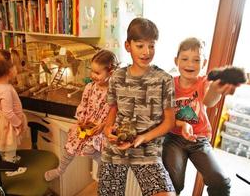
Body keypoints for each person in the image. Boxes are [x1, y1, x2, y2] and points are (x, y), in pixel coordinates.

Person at [99, 18, 176, 196]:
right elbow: (112, 109)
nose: (146, 52)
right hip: (116, 147)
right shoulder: (117, 76)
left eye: (151, 46)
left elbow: (169, 122)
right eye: (140, 45)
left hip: (148, 150)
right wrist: (108, 128)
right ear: (128, 46)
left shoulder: (165, 80)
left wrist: (144, 137)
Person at [162, 37, 234, 196]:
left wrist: (216, 88)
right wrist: (181, 124)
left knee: (220, 182)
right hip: (174, 138)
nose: (190, 64)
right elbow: (162, 114)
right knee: (173, 182)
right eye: (185, 59)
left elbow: (209, 101)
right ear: (176, 61)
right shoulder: (169, 84)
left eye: (196, 60)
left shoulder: (204, 82)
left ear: (203, 63)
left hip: (199, 139)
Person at [44, 49, 119, 181]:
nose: (93, 75)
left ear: (110, 72)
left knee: (90, 148)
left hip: (101, 130)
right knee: (71, 146)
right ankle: (60, 170)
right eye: (92, 71)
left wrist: (102, 125)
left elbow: (115, 115)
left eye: (97, 73)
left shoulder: (114, 93)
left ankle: (103, 168)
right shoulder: (90, 87)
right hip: (85, 126)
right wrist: (81, 121)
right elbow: (83, 105)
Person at [0, 49, 28, 176]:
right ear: (9, 72)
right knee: (9, 144)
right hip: (8, 122)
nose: (17, 68)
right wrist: (18, 123)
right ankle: (10, 169)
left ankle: (7, 159)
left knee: (3, 143)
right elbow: (9, 113)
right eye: (14, 65)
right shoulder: (5, 90)